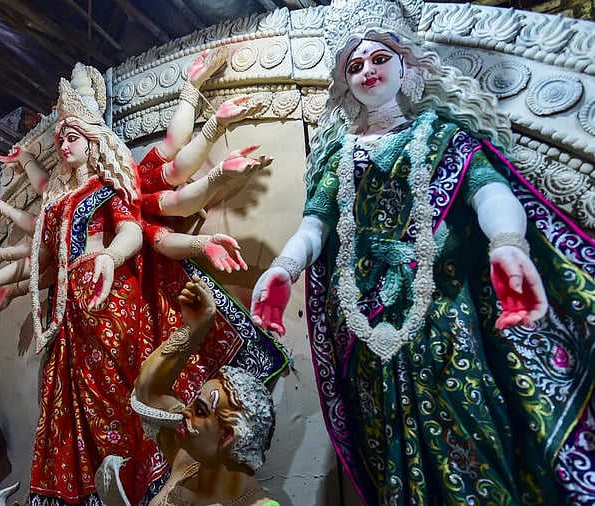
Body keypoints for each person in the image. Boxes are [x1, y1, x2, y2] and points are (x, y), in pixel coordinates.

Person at [250, 0, 595, 503]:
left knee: (470, 432)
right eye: (355, 65)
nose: (367, 70)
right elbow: (315, 224)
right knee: (385, 442)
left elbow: (490, 191)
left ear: (407, 63)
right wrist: (284, 268)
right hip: (365, 328)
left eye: (379, 58)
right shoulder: (338, 155)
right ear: (345, 84)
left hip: (444, 317)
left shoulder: (442, 136)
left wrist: (507, 245)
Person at [0, 64, 288, 506]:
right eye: (59, 138)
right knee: (78, 417)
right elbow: (47, 264)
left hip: (113, 304)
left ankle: (144, 486)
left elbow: (132, 232)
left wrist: (110, 256)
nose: (64, 144)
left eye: (72, 136)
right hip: (69, 324)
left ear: (94, 141)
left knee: (123, 402)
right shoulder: (55, 204)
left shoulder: (110, 189)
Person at [125, 277, 278, 506]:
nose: (185, 411)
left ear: (227, 436)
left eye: (200, 411)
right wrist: (194, 328)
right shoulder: (187, 461)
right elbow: (149, 390)